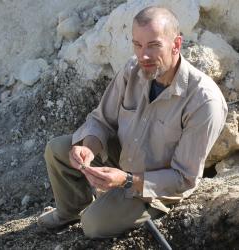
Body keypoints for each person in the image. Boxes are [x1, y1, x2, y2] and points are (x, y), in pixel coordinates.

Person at [37, 6, 228, 238]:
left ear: (176, 44)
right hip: (125, 157)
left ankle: (105, 208)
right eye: (137, 44)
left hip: (156, 186)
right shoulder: (132, 70)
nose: (143, 55)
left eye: (153, 45)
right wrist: (88, 147)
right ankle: (69, 212)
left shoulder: (204, 101)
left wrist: (126, 181)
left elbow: (183, 178)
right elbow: (101, 120)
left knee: (94, 224)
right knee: (58, 150)